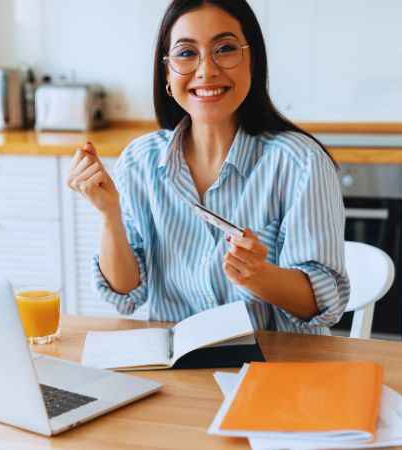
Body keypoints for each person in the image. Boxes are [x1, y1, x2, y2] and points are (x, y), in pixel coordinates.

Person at [66, 0, 349, 334]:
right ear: (167, 74)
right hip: (178, 373)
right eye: (186, 53)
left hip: (275, 370)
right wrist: (109, 215)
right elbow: (126, 294)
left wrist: (260, 276)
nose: (206, 70)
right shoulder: (139, 160)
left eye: (225, 49)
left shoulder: (300, 163)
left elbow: (324, 305)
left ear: (252, 62)